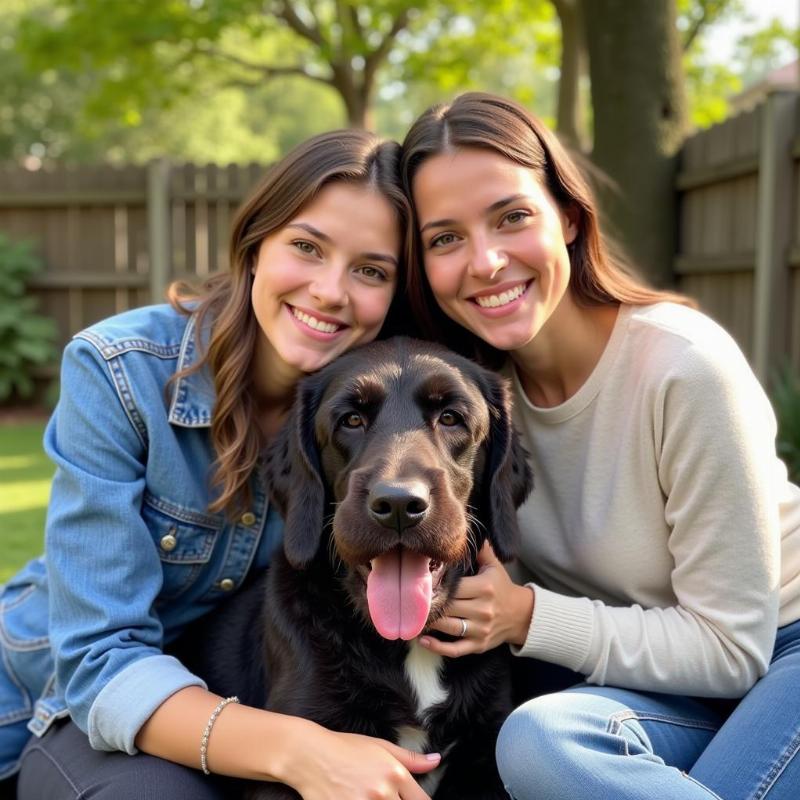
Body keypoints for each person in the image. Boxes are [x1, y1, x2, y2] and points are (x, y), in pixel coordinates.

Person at [0, 129, 442, 800]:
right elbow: (96, 663)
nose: (329, 291)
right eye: (306, 247)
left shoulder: (387, 421)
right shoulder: (121, 373)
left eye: (371, 270)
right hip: (61, 704)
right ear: (254, 244)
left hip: (241, 693)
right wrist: (301, 750)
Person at [400, 91, 800, 800]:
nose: (485, 261)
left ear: (571, 219)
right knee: (545, 742)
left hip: (780, 651)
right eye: (445, 238)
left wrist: (525, 615)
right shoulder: (464, 406)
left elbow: (733, 648)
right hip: (653, 683)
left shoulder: (682, 366)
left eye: (512, 217)